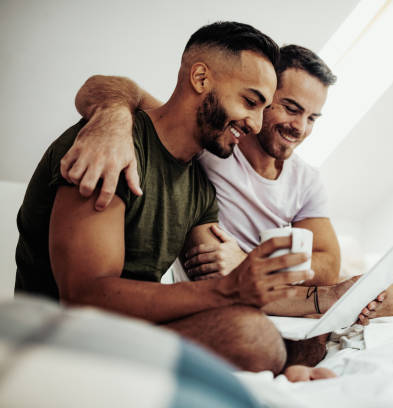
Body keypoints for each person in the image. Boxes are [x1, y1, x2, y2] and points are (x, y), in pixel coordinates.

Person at [14, 21, 332, 381]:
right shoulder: (111, 146)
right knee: (251, 335)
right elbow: (84, 297)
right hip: (61, 342)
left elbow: (229, 277)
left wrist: (329, 299)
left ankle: (290, 376)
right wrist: (226, 292)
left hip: (129, 333)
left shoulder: (198, 183)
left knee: (307, 333)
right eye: (249, 102)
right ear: (200, 78)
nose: (256, 125)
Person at [60, 43, 393, 366]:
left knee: (391, 298)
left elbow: (328, 261)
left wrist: (256, 266)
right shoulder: (213, 142)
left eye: (312, 118)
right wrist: (113, 118)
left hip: (265, 286)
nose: (300, 128)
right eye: (290, 108)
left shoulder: (304, 178)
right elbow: (125, 93)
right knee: (272, 336)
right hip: (228, 295)